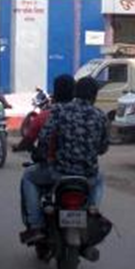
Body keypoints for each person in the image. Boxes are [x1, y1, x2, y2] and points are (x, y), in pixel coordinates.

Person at [19, 75, 109, 245]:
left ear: (76, 92)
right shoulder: (101, 116)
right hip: (87, 177)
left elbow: (45, 138)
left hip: (58, 173)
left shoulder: (60, 111)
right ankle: (92, 210)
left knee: (28, 177)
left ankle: (36, 225)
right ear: (95, 96)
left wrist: (45, 154)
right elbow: (103, 148)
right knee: (100, 179)